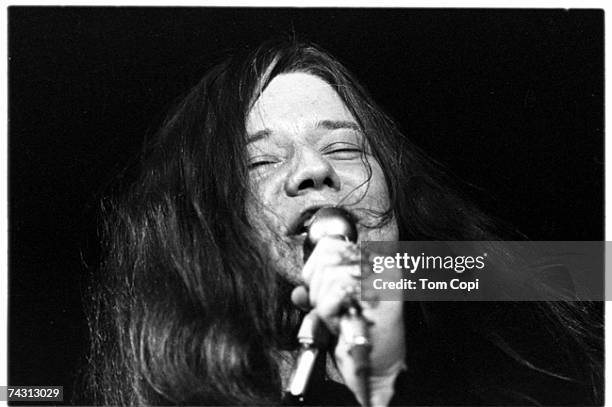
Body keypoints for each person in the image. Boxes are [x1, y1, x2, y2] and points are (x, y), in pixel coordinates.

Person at [86, 39, 603, 406]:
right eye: (261, 161)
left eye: (344, 147)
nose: (315, 169)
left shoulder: (515, 322)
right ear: (208, 225)